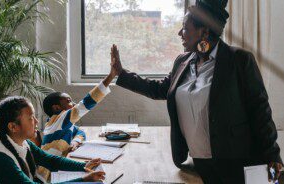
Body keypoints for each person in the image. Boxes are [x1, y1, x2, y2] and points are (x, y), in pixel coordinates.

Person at [109, 0, 283, 183]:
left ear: (205, 32)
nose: (179, 33)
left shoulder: (239, 61)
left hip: (235, 164)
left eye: (185, 28)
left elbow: (260, 111)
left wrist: (273, 156)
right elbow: (160, 89)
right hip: (198, 163)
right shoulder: (183, 62)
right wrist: (121, 74)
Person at [0, 96, 105, 183]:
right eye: (30, 118)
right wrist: (83, 180)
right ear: (13, 127)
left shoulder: (20, 140)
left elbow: (49, 160)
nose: (37, 122)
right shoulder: (0, 157)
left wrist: (83, 166)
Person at [38, 68, 116, 180]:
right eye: (69, 101)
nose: (73, 103)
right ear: (56, 108)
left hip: (56, 169)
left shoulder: (57, 123)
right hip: (49, 176)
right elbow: (86, 103)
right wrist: (110, 77)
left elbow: (79, 131)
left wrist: (76, 141)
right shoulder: (60, 119)